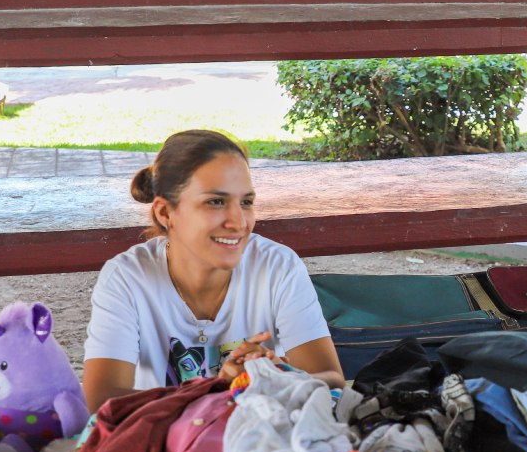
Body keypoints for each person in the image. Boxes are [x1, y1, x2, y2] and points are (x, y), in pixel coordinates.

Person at [83, 130, 344, 412]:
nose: (239, 222)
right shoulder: (128, 278)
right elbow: (101, 400)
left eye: (246, 202)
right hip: (167, 446)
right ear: (165, 213)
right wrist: (221, 390)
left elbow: (331, 380)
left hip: (260, 443)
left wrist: (279, 376)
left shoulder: (277, 266)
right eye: (216, 202)